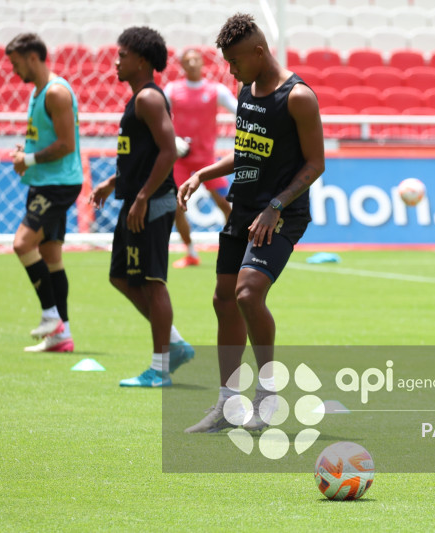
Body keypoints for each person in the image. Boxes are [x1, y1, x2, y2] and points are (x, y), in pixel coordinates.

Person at [177, 13, 324, 433]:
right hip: (243, 208)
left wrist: (276, 204)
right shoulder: (246, 90)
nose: (230, 69)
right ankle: (227, 403)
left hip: (281, 213)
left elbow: (316, 163)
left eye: (235, 61)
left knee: (246, 293)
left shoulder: (298, 97)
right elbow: (248, 153)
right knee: (223, 299)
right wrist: (204, 172)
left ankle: (267, 394)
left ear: (259, 51)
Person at [89, 27, 194, 387]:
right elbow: (142, 157)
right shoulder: (136, 101)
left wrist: (143, 197)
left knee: (152, 282)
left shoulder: (149, 99)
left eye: (123, 55)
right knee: (120, 276)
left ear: (142, 61)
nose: (116, 61)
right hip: (135, 201)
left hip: (150, 204)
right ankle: (176, 343)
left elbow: (168, 151)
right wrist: (112, 183)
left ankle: (160, 369)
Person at [5, 33, 83, 353]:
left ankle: (51, 315)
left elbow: (67, 144)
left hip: (58, 184)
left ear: (33, 58)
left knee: (22, 243)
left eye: (16, 63)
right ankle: (61, 336)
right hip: (44, 181)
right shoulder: (37, 92)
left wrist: (30, 159)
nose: (13, 70)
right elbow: (47, 137)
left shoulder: (56, 93)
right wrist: (28, 149)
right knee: (51, 255)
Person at [164, 48, 238, 268]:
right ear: (182, 65)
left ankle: (236, 248)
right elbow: (157, 114)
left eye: (196, 59)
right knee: (177, 207)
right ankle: (190, 252)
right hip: (180, 160)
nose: (193, 63)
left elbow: (240, 111)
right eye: (188, 60)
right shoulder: (172, 90)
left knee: (225, 204)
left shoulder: (216, 91)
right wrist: (171, 138)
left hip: (207, 159)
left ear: (202, 63)